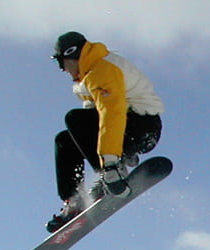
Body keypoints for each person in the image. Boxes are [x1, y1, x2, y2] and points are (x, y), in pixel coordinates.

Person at [47, 31, 164, 232]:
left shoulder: (102, 70)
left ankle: (114, 169)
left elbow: (112, 114)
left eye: (60, 63)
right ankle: (74, 201)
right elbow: (91, 126)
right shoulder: (90, 74)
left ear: (71, 54)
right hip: (128, 127)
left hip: (143, 127)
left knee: (74, 119)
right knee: (65, 140)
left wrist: (109, 165)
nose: (63, 70)